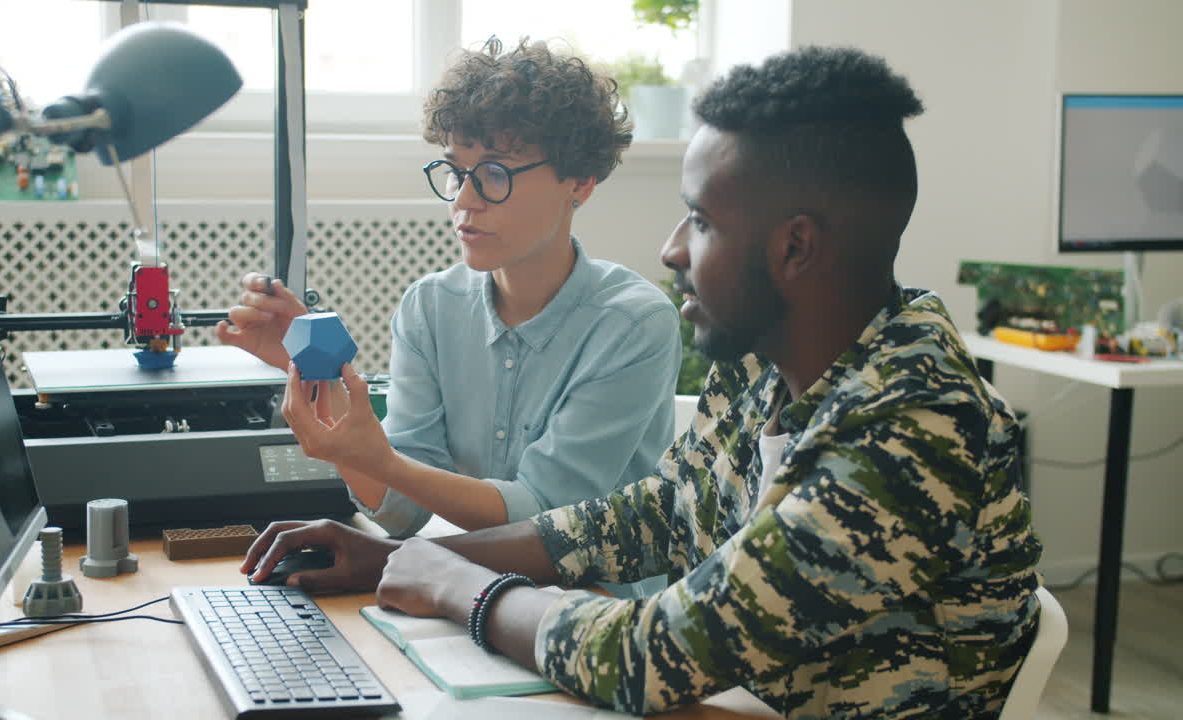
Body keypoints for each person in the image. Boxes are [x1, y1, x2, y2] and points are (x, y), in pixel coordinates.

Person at [242, 45, 1044, 718]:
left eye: (701, 220)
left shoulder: (910, 430)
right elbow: (655, 515)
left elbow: (649, 655)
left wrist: (454, 578)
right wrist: (389, 562)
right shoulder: (765, 369)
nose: (670, 248)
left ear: (796, 248)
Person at [216, 38, 680, 595]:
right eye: (456, 172)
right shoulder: (430, 307)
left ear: (579, 182)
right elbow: (400, 512)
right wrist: (317, 376)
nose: (464, 199)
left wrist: (385, 472)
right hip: (466, 594)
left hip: (597, 611)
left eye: (494, 173)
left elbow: (552, 521)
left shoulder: (633, 324)